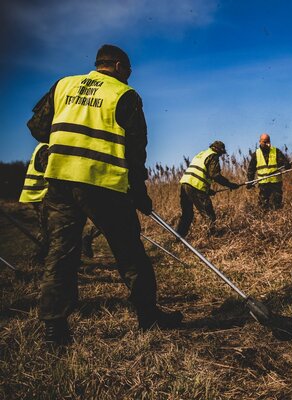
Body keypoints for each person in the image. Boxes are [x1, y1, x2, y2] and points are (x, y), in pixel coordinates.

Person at [27, 44, 182, 345]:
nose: (129, 76)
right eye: (129, 71)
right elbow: (136, 152)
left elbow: (36, 127)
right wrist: (140, 193)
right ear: (119, 66)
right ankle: (149, 319)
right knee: (130, 254)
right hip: (104, 185)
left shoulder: (63, 85)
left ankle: (54, 328)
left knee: (60, 254)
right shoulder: (125, 95)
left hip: (60, 182)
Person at [176, 140, 241, 237]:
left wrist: (208, 190)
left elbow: (199, 173)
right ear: (219, 150)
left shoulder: (202, 153)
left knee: (187, 214)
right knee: (209, 214)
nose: (220, 156)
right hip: (196, 186)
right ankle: (212, 239)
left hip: (185, 184)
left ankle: (179, 238)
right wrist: (229, 184)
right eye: (221, 154)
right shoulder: (213, 156)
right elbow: (215, 175)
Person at [18, 143, 50, 263]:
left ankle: (43, 257)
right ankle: (41, 257)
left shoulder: (40, 146)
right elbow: (50, 172)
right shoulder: (46, 148)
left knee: (46, 228)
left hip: (37, 194)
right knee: (49, 229)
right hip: (41, 195)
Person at [246, 133, 291, 210]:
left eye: (268, 141)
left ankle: (277, 220)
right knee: (263, 205)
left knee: (277, 204)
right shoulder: (256, 154)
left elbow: (285, 163)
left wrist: (287, 164)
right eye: (264, 141)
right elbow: (251, 169)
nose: (267, 143)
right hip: (263, 184)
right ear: (260, 142)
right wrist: (250, 181)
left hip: (276, 183)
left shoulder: (276, 151)